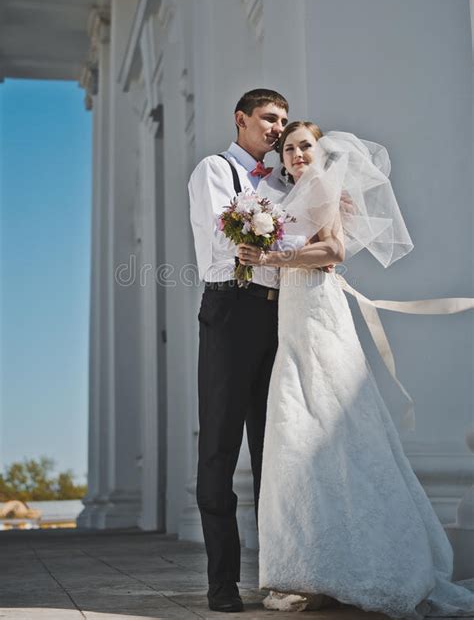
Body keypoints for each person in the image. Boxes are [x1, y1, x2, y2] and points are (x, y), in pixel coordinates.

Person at [237, 121, 474, 618]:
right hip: (296, 315)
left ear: (320, 151)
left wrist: (270, 254)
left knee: (324, 423)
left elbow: (335, 250)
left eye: (306, 146)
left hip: (318, 312)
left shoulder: (322, 185)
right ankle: (319, 568)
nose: (297, 153)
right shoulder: (298, 191)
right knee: (300, 432)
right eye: (290, 148)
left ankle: (356, 565)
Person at [188, 88, 304, 612]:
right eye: (268, 119)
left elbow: (304, 238)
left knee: (274, 451)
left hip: (280, 314)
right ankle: (222, 584)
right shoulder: (214, 171)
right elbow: (223, 241)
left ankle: (279, 575)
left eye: (282, 120)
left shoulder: (286, 181)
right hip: (230, 309)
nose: (277, 129)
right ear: (242, 119)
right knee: (219, 445)